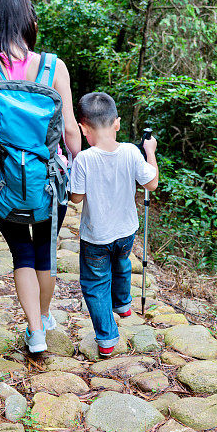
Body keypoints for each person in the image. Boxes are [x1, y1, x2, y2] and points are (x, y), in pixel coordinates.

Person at [0, 0, 82, 353]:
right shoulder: (53, 67)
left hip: (5, 183)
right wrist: (81, 169)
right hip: (49, 181)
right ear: (30, 21)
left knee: (22, 255)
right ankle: (44, 320)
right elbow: (70, 129)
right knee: (45, 254)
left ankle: (34, 332)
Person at [69, 92, 158, 357]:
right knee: (121, 263)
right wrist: (149, 152)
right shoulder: (132, 151)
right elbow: (151, 183)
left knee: (95, 285)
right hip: (126, 231)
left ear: (83, 128)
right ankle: (123, 303)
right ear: (116, 123)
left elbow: (75, 198)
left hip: (96, 236)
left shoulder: (84, 159)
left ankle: (107, 339)